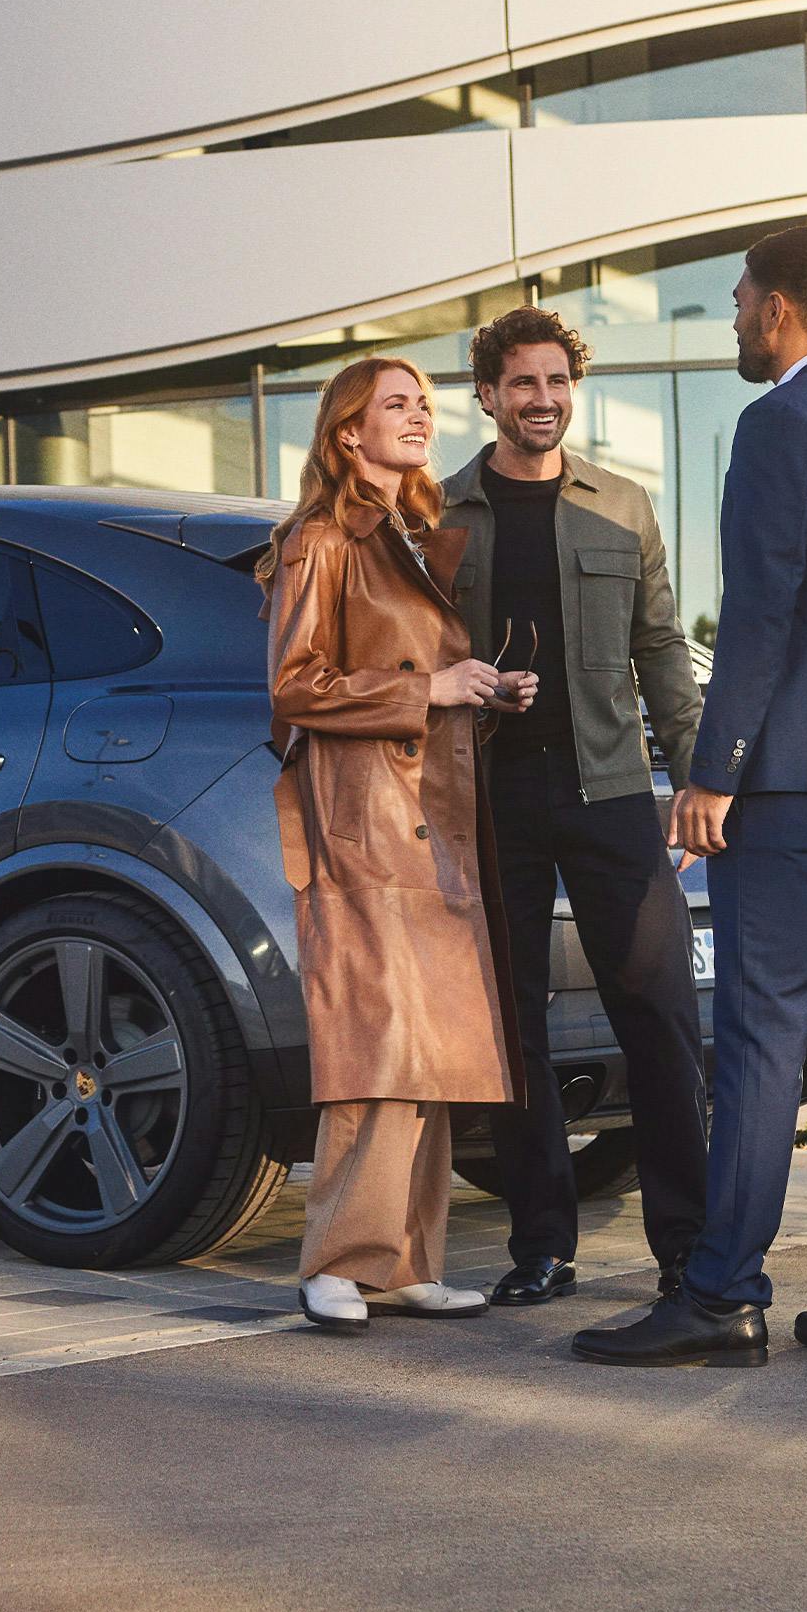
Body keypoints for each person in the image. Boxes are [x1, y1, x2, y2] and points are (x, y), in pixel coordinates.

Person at [573, 224, 807, 1371]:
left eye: (737, 302)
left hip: (786, 788)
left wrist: (712, 770)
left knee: (759, 1036)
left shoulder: (778, 422)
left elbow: (763, 608)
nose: (732, 319)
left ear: (779, 310)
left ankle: (724, 1292)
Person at [433, 307, 710, 1309]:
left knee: (662, 1016)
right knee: (512, 1029)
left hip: (612, 795)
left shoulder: (623, 508)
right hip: (493, 797)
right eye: (523, 385)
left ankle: (687, 1244)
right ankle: (541, 1244)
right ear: (489, 395)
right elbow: (413, 653)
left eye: (557, 383)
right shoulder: (442, 515)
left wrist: (696, 773)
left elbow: (662, 651)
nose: (542, 401)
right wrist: (464, 680)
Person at [259, 354, 537, 1333]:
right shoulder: (322, 540)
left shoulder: (414, 538)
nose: (419, 416)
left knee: (435, 1052)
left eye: (424, 403)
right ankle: (336, 1261)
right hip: (362, 825)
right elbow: (295, 686)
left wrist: (487, 689)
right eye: (395, 404)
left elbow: (430, 678)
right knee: (375, 1047)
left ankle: (408, 1262)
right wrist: (430, 689)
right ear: (347, 433)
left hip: (435, 821)